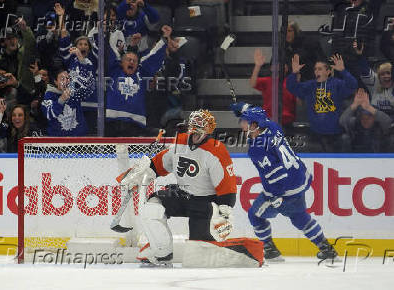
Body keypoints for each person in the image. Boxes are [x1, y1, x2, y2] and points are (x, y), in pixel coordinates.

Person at [120, 109, 237, 266]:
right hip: (183, 195)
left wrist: (225, 210)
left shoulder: (216, 150)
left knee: (198, 258)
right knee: (152, 207)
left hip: (206, 203)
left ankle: (206, 246)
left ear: (207, 131)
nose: (195, 133)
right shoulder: (180, 142)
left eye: (200, 129)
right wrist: (142, 173)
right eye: (193, 127)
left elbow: (227, 185)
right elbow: (160, 164)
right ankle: (162, 252)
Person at [238, 106, 338, 261]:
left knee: (254, 215)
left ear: (255, 125)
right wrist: (243, 108)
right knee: (299, 216)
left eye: (245, 121)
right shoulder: (273, 127)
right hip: (300, 178)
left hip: (283, 189)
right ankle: (327, 249)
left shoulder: (256, 149)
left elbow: (275, 173)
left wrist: (276, 196)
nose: (241, 125)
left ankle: (271, 251)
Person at [105, 25, 170, 137]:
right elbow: (109, 51)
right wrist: (104, 33)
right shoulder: (114, 70)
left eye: (134, 61)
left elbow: (153, 56)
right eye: (128, 60)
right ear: (121, 62)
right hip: (112, 122)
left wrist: (164, 38)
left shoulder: (142, 73)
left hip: (135, 125)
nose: (131, 62)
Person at [286, 54, 358, 152]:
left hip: (335, 135)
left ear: (328, 71)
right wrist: (294, 73)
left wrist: (343, 71)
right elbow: (292, 87)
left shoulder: (337, 84)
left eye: (320, 69)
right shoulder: (310, 86)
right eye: (315, 69)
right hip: (315, 135)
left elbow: (353, 85)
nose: (316, 71)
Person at [249, 48, 297, 131]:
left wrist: (296, 76)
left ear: (286, 67)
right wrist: (257, 66)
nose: (278, 66)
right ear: (271, 67)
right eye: (275, 64)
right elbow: (253, 83)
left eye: (281, 64)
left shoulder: (291, 82)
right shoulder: (267, 80)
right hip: (269, 119)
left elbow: (298, 102)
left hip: (287, 121)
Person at [41, 65, 93, 137]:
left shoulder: (75, 92)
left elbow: (87, 79)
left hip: (78, 139)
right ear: (55, 82)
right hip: (58, 141)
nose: (66, 81)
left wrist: (81, 59)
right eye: (62, 79)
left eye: (68, 78)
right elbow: (48, 114)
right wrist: (61, 100)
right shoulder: (49, 95)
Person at [0, 18, 37, 95]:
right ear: (2, 42)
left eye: (14, 37)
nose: (13, 41)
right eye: (9, 38)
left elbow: (31, 44)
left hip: (27, 94)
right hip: (9, 97)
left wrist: (25, 29)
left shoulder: (24, 53)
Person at [356, 41, 394, 121]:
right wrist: (360, 55)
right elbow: (365, 71)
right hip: (375, 115)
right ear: (379, 75)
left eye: (388, 73)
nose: (386, 76)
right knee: (364, 112)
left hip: (392, 116)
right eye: (382, 74)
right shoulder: (375, 81)